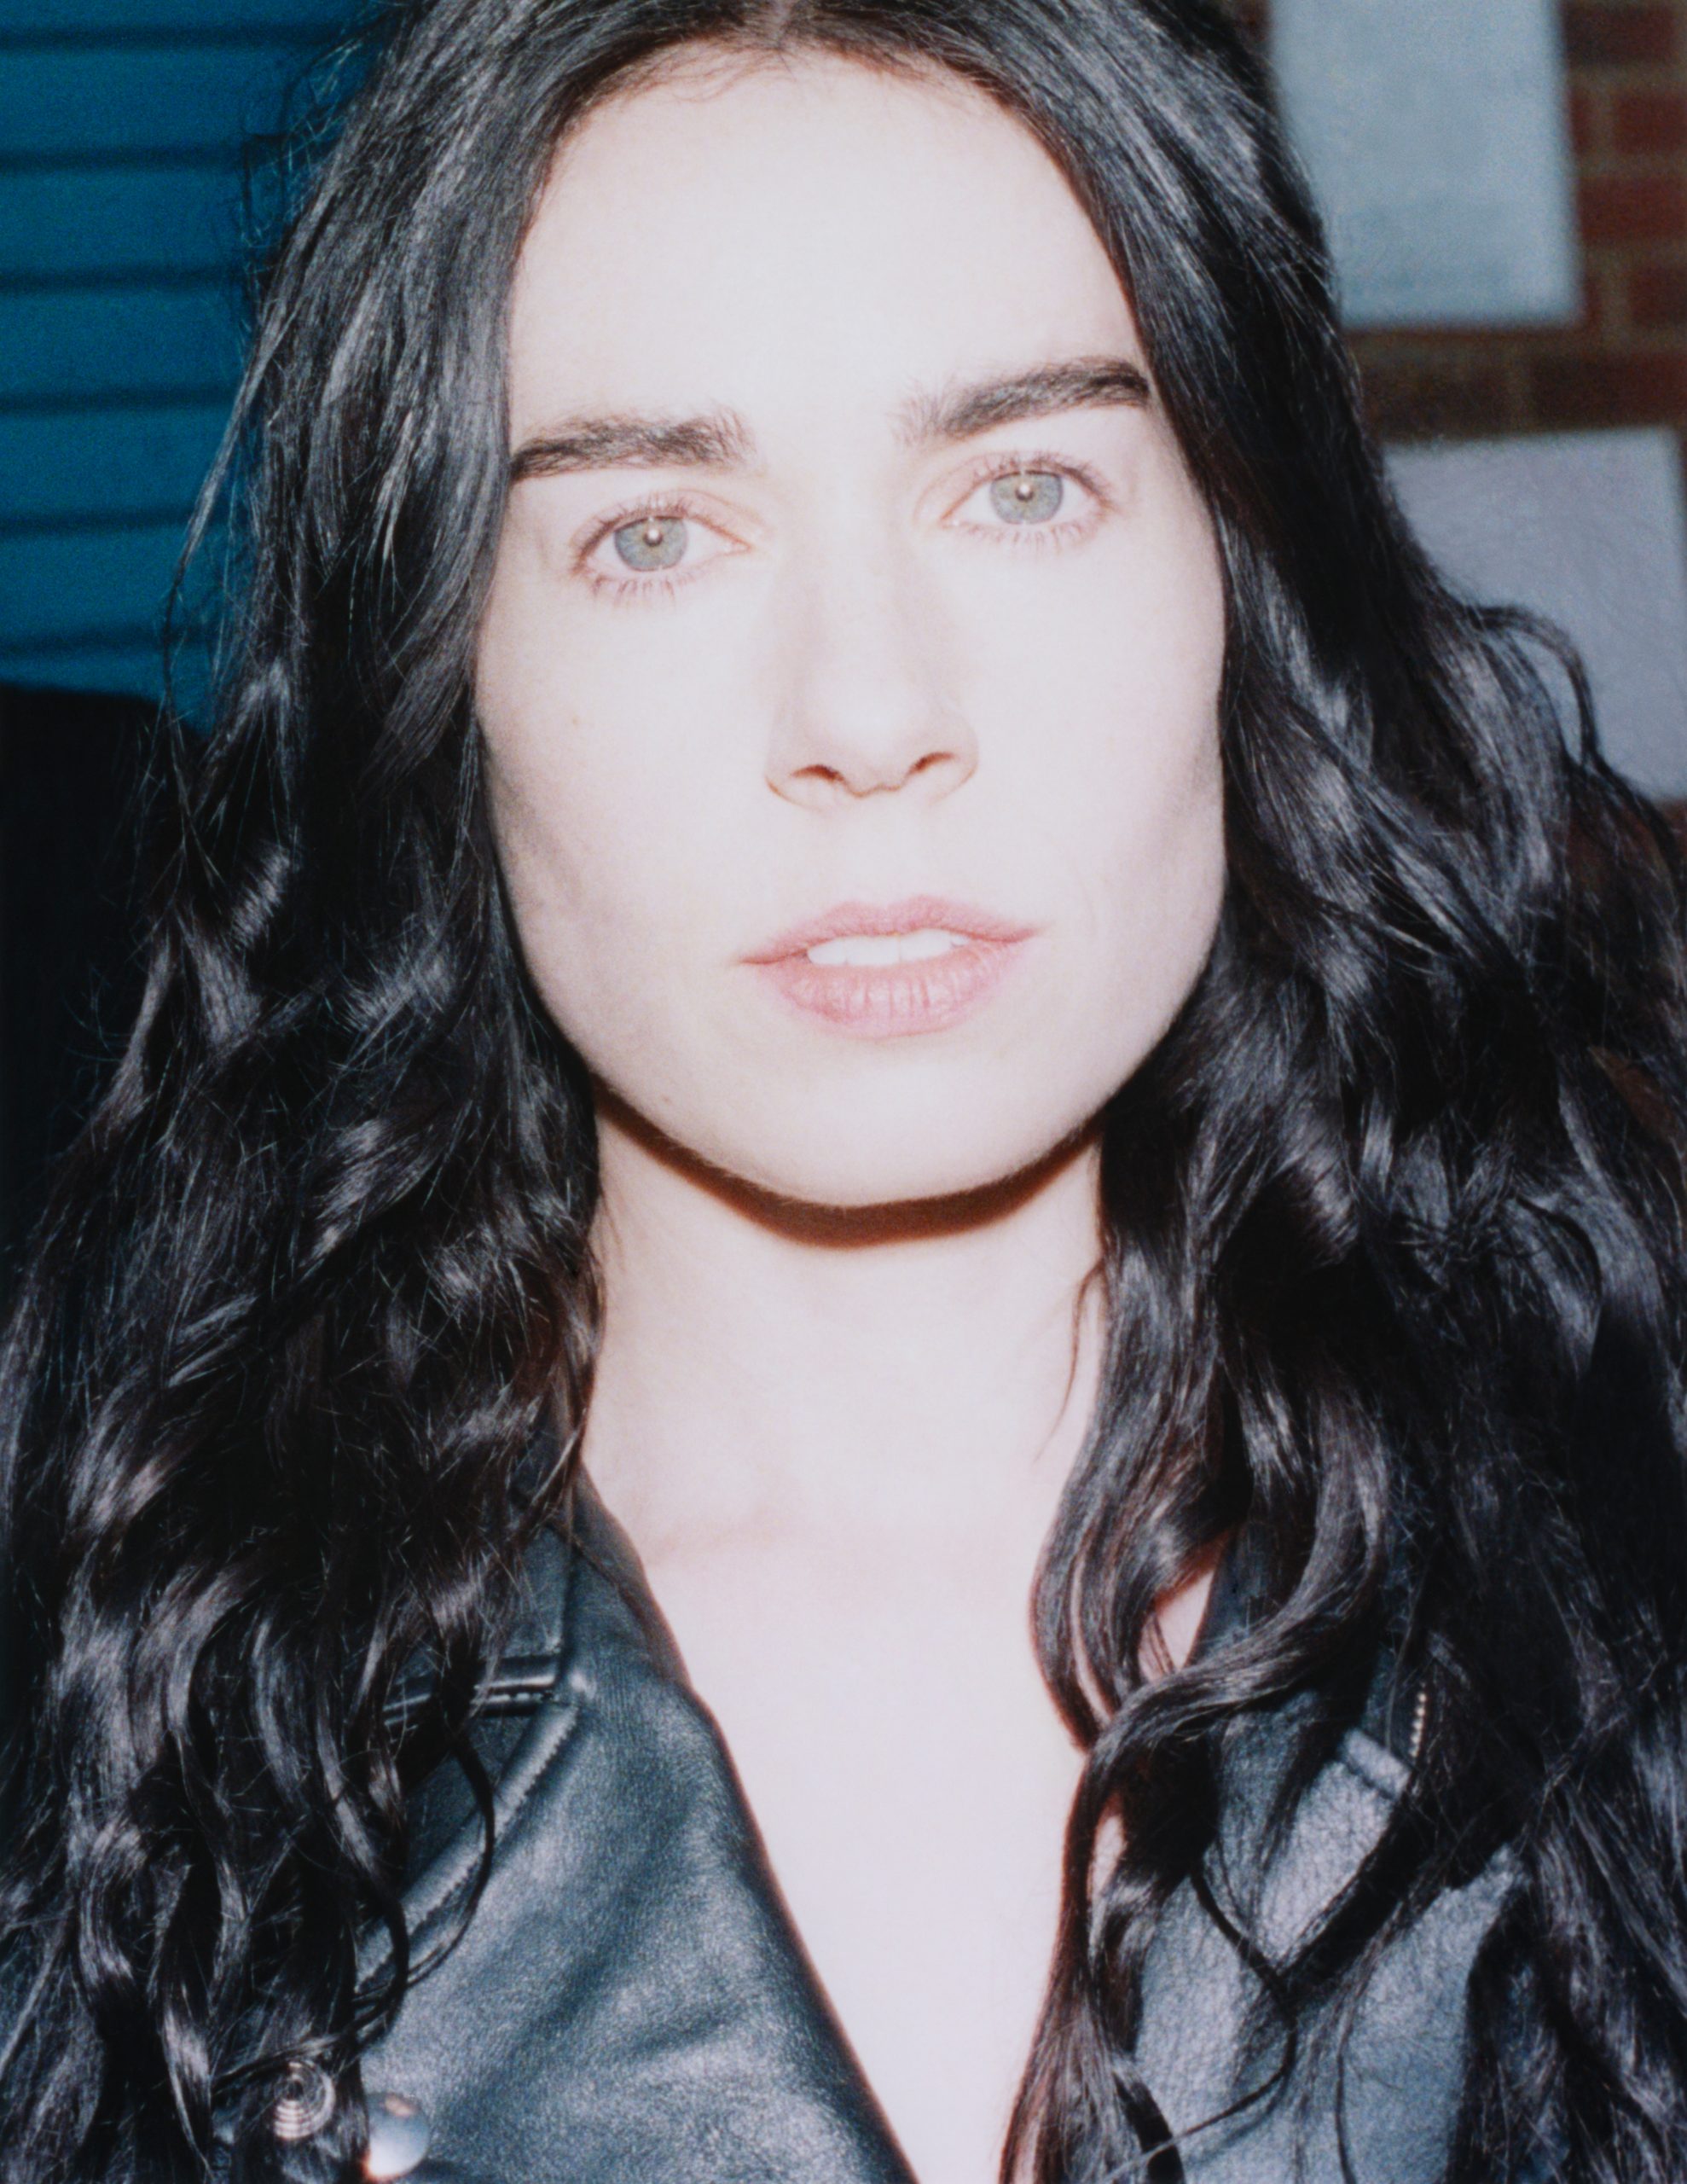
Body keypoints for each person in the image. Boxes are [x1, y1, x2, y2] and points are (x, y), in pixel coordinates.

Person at [3, 0, 1686, 2178]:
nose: (869, 710)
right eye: (651, 534)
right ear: (439, 673)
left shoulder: (1615, 1557)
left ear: (1243, 585)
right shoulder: (134, 1707)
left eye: (1023, 486)